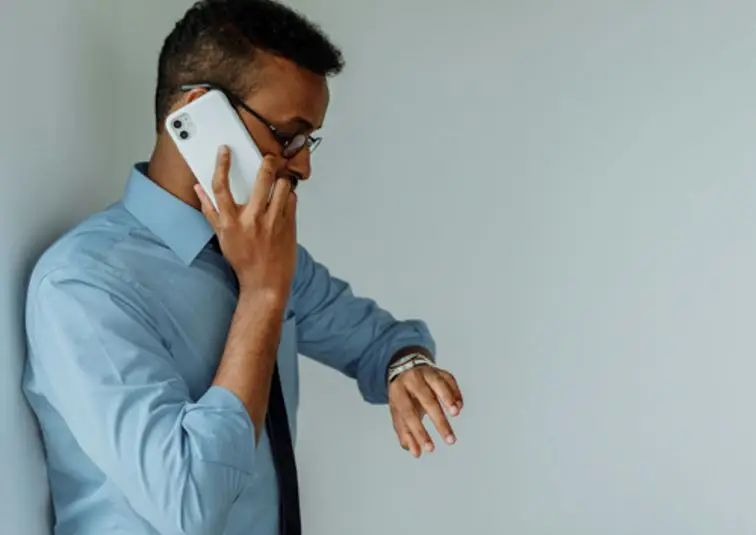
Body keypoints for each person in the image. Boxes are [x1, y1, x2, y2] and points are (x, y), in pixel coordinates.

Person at [21, 1, 464, 534]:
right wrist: (261, 297)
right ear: (196, 114)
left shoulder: (264, 255)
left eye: (308, 141)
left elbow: (376, 340)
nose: (303, 165)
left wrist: (404, 365)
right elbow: (191, 505)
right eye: (288, 137)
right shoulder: (84, 286)